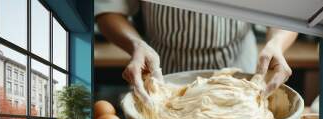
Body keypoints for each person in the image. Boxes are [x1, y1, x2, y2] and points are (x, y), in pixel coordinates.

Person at [95, 0, 298, 104]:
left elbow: (287, 8)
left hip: (240, 72)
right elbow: (109, 9)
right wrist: (136, 45)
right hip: (162, 72)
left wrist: (277, 43)